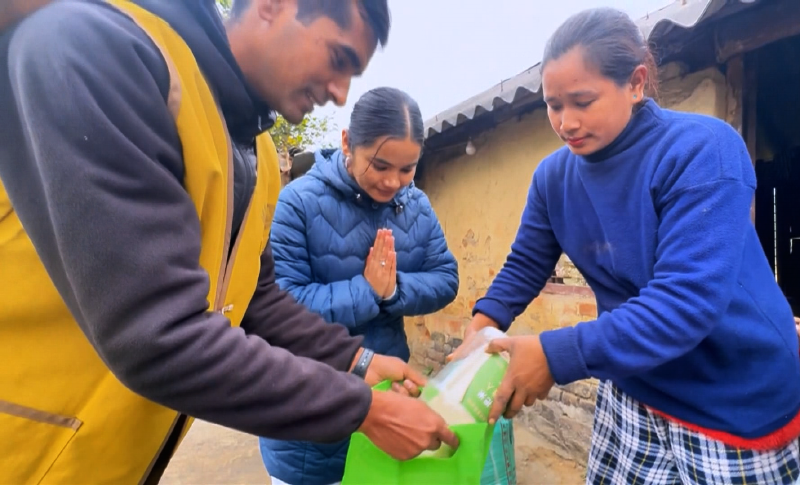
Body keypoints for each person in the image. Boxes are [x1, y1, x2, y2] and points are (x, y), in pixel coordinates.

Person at [0, 1, 458, 483]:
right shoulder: (106, 52)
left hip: (103, 458)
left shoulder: (256, 153)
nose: (340, 93)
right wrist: (365, 410)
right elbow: (157, 334)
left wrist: (355, 359)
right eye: (338, 59)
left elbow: (258, 300)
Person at [458, 7, 800, 485]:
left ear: (636, 83)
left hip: (732, 396)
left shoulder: (701, 151)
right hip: (634, 383)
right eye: (553, 105)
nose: (566, 122)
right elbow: (525, 264)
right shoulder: (553, 178)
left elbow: (684, 303)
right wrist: (481, 331)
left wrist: (554, 355)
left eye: (582, 101)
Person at [259, 86, 459, 485]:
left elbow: (445, 278)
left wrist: (393, 290)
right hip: (311, 414)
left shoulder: (416, 206)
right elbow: (279, 304)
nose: (393, 182)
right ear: (348, 142)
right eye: (380, 165)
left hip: (390, 396)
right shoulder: (298, 203)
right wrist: (365, 292)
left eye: (407, 169)